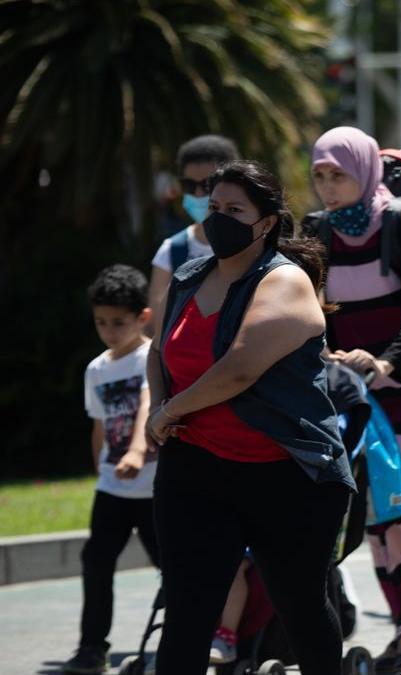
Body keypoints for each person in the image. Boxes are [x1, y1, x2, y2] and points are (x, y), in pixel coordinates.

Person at [145, 160, 354, 674]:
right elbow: (159, 350)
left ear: (265, 223)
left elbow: (237, 370)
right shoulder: (191, 277)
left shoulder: (286, 282)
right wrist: (157, 406)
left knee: (300, 606)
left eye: (235, 210)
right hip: (197, 471)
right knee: (187, 613)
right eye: (214, 208)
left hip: (285, 475)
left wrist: (171, 409)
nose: (220, 218)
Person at [303, 126, 401, 673]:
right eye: (319, 175)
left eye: (337, 175)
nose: (327, 186)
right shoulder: (314, 231)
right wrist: (330, 358)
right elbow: (308, 312)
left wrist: (386, 360)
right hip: (355, 397)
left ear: (362, 171)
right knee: (375, 518)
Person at [62, 265, 158, 675]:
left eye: (119, 322)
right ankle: (91, 649)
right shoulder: (97, 369)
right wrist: (102, 469)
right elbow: (99, 427)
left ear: (143, 317)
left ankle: (183, 639)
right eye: (101, 322)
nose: (109, 331)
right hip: (113, 491)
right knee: (96, 563)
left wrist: (137, 452)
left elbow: (149, 405)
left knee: (175, 567)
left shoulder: (151, 357)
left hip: (154, 488)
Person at [148, 135, 240, 332]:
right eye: (190, 186)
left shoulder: (254, 245)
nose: (198, 194)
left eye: (207, 185)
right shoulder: (171, 250)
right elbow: (156, 324)